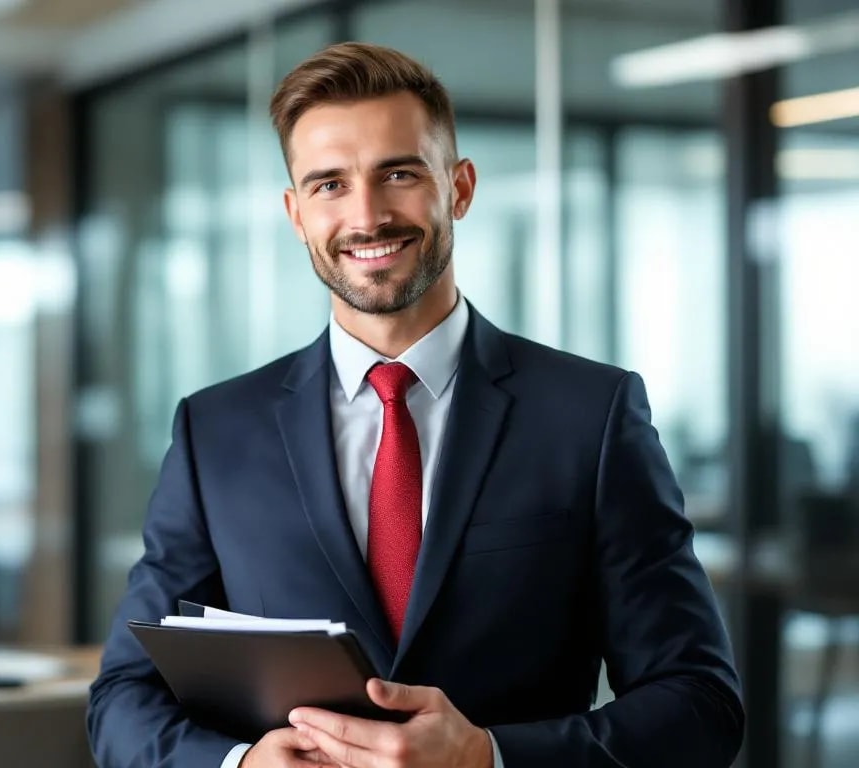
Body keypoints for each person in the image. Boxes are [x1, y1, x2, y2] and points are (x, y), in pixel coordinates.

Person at [86, 41, 743, 768]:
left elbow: (700, 704)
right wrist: (238, 765)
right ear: (295, 212)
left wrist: (487, 758)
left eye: (397, 174)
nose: (367, 217)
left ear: (458, 187)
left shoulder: (590, 414)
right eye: (329, 185)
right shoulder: (215, 432)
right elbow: (123, 698)